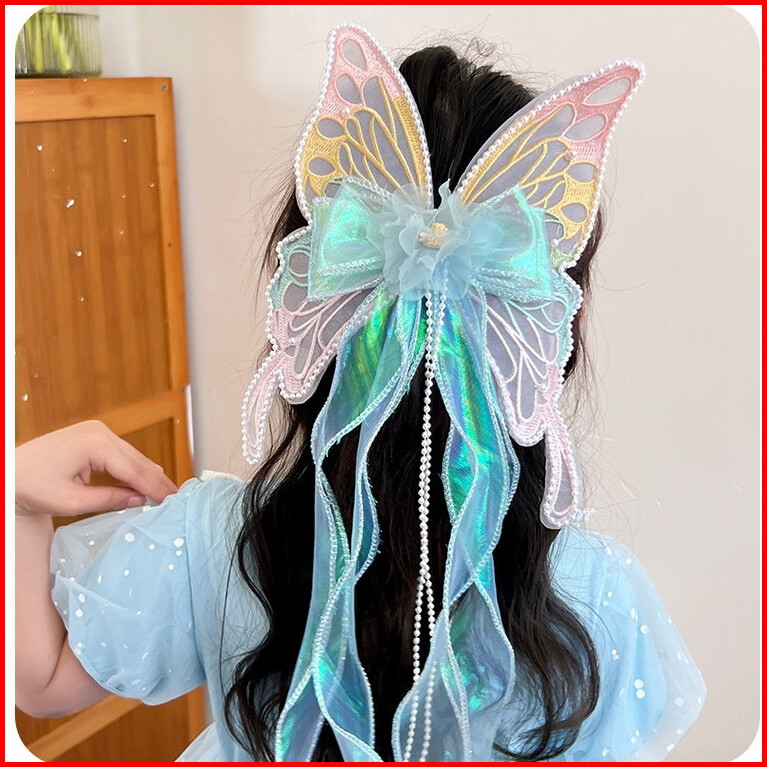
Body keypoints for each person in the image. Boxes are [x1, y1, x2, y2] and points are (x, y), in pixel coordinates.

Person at [15, 26, 705, 762]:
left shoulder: (217, 541)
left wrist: (17, 496)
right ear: (552, 329)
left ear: (304, 299)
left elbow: (42, 682)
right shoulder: (594, 597)